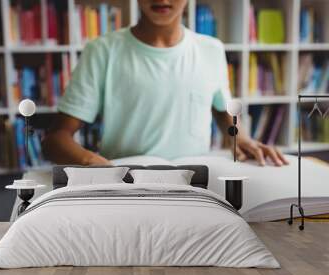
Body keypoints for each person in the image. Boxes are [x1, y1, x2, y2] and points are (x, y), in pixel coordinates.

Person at [42, 0, 289, 167]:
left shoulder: (211, 49)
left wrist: (240, 137)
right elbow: (56, 139)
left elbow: (221, 110)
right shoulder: (102, 51)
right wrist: (98, 166)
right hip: (125, 185)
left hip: (196, 185)